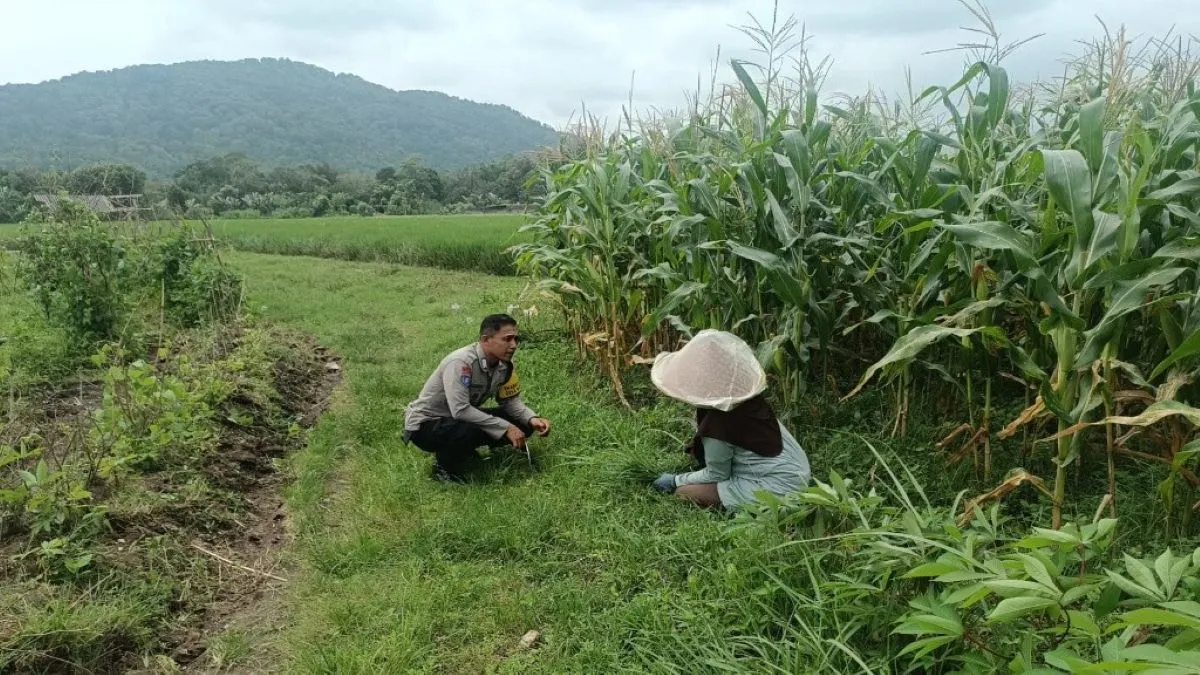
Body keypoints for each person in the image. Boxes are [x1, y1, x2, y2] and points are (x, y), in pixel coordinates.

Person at [647, 330, 811, 509]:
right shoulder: (750, 400)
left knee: (685, 492)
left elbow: (717, 475)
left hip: (780, 490)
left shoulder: (718, 424)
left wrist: (676, 480)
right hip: (799, 473)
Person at [405, 314, 551, 482]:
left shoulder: (505, 365)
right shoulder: (461, 362)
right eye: (507, 339)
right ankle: (443, 469)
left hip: (459, 417)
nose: (514, 345)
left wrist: (532, 419)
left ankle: (464, 451)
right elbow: (460, 410)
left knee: (521, 422)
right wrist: (505, 428)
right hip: (426, 424)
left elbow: (509, 401)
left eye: (516, 339)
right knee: (468, 429)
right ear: (485, 339)